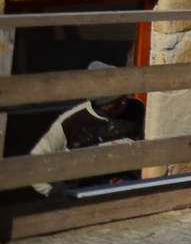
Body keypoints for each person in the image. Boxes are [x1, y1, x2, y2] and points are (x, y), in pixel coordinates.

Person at [29, 66, 145, 196]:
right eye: (116, 99)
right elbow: (34, 165)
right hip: (88, 197)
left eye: (124, 95)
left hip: (129, 192)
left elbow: (149, 146)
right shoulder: (71, 122)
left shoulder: (137, 108)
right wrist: (60, 191)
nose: (123, 101)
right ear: (99, 100)